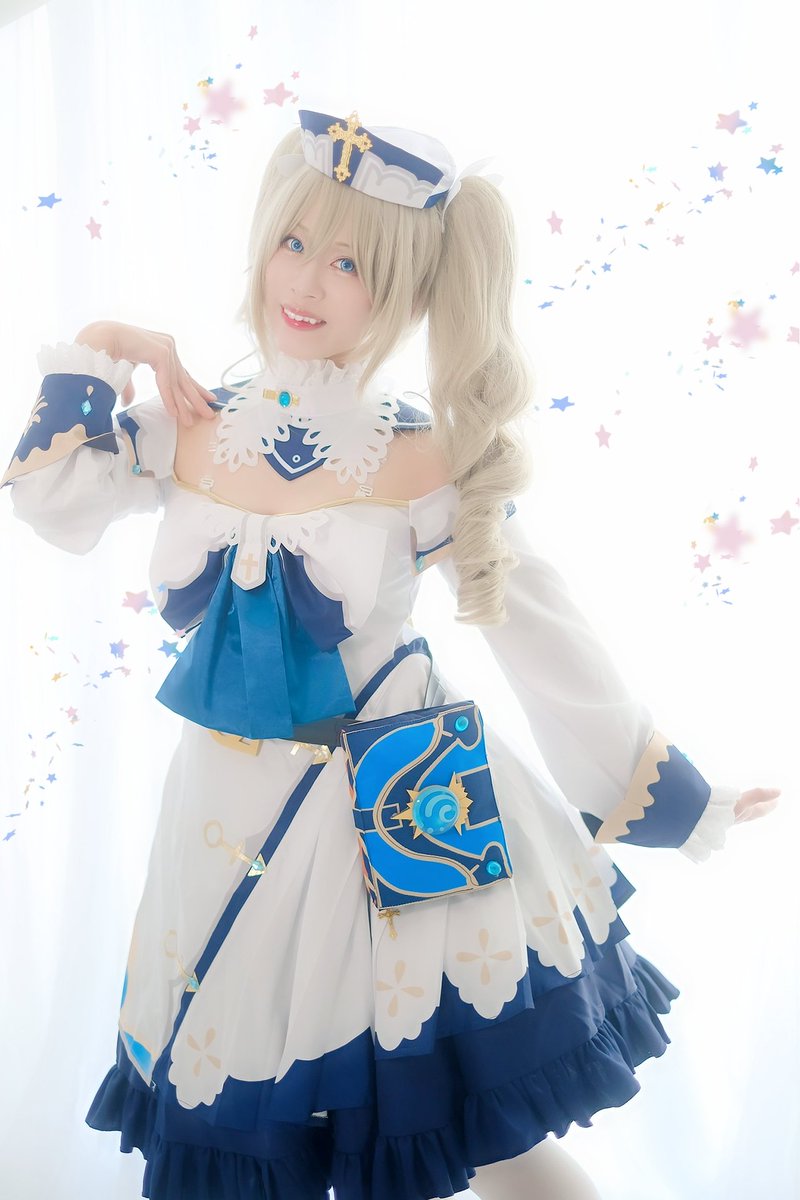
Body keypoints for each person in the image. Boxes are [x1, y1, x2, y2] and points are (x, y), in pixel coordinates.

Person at [2, 107, 780, 1200]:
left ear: (409, 289)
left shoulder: (422, 455)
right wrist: (101, 348)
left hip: (403, 798)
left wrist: (668, 792)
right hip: (219, 808)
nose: (307, 281)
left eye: (351, 263)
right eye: (294, 242)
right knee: (245, 1108)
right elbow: (50, 505)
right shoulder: (187, 422)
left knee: (475, 1120)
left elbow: (535, 624)